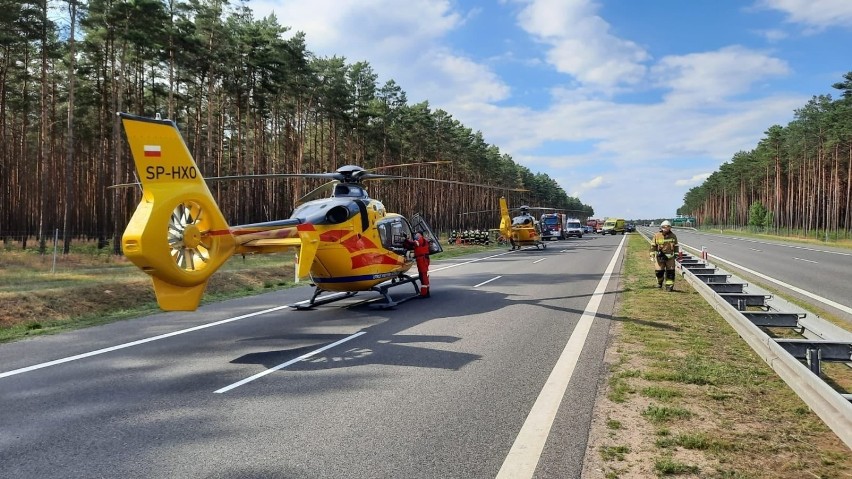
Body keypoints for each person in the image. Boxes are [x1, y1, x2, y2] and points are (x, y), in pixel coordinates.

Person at [650, 220, 679, 291]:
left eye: (668, 227)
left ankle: (669, 286)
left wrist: (676, 254)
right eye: (664, 227)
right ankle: (659, 282)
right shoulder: (657, 235)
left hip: (670, 258)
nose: (666, 229)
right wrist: (652, 255)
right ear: (661, 228)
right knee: (659, 272)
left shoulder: (673, 236)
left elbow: (676, 246)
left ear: (670, 228)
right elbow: (653, 246)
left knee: (670, 272)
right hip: (660, 258)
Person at [404, 231, 431, 297]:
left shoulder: (421, 239)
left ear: (420, 234)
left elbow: (414, 243)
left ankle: (424, 293)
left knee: (422, 275)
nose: (416, 235)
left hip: (422, 259)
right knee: (423, 275)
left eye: (417, 234)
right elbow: (412, 246)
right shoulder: (423, 240)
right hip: (422, 259)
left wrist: (406, 239)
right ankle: (426, 291)